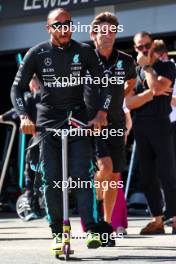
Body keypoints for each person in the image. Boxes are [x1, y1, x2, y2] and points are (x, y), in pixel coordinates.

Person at [11, 8, 114, 250]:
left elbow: (106, 84)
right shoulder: (36, 53)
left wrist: (101, 113)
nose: (64, 28)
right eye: (58, 25)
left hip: (78, 121)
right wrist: (25, 116)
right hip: (48, 124)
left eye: (67, 23)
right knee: (51, 181)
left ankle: (91, 229)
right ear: (49, 28)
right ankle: (59, 234)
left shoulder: (84, 52)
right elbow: (16, 89)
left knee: (82, 177)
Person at [84, 12, 136, 240]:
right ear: (93, 34)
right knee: (103, 167)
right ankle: (94, 216)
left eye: (112, 31)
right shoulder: (83, 57)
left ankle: (107, 226)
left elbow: (131, 82)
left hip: (115, 122)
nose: (108, 35)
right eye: (103, 31)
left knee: (114, 175)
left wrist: (119, 101)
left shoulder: (125, 60)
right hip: (90, 123)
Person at [126, 31, 176, 235]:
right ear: (135, 48)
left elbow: (157, 87)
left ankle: (173, 218)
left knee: (167, 174)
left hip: (161, 124)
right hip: (140, 126)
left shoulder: (167, 66)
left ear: (153, 45)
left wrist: (147, 68)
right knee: (147, 177)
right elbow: (128, 102)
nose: (144, 50)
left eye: (147, 45)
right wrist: (149, 94)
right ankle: (157, 220)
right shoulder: (133, 70)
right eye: (140, 47)